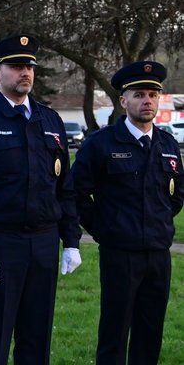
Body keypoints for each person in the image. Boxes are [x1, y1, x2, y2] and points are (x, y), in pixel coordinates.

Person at [0, 34, 82, 365]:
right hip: (1, 243)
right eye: (16, 66)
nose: (25, 72)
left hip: (44, 241)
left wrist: (71, 241)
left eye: (29, 67)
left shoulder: (49, 120)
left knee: (37, 336)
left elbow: (64, 186)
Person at [72, 61, 184, 364]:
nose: (147, 100)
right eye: (139, 95)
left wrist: (158, 222)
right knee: (115, 331)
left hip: (158, 254)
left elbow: (176, 195)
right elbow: (76, 193)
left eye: (153, 95)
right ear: (124, 101)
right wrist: (105, 228)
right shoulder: (101, 143)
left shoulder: (167, 144)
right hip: (120, 253)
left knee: (150, 333)